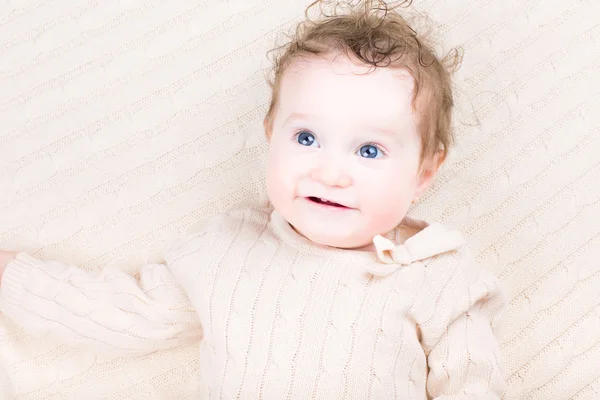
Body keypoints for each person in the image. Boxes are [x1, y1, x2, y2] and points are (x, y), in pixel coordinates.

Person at [0, 1, 506, 398]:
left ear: (424, 172)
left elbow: (473, 388)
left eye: (369, 150)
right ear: (270, 134)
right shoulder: (227, 250)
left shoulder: (439, 274)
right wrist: (12, 277)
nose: (330, 172)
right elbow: (129, 311)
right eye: (306, 138)